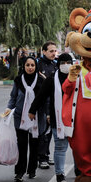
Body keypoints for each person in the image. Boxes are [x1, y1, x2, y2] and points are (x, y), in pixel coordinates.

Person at [30, 53, 74, 182]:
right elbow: (41, 96)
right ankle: (60, 175)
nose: (66, 65)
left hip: (75, 118)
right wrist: (32, 110)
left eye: (68, 62)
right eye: (63, 62)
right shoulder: (51, 80)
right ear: (58, 64)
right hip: (58, 119)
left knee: (78, 147)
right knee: (60, 147)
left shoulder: (78, 79)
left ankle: (80, 171)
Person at [4, 56, 44, 182]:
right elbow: (13, 97)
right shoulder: (18, 80)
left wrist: (47, 114)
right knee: (21, 145)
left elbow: (46, 99)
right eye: (28, 65)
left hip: (36, 118)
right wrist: (8, 108)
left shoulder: (41, 81)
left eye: (32, 65)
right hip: (20, 117)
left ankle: (31, 170)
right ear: (24, 66)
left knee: (34, 145)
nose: (30, 68)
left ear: (36, 67)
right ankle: (19, 172)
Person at [36, 41, 58, 169]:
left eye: (54, 51)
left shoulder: (55, 65)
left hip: (53, 102)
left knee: (50, 131)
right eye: (51, 51)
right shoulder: (38, 65)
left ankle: (46, 154)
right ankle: (41, 157)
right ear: (44, 51)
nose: (53, 53)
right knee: (43, 130)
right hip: (42, 104)